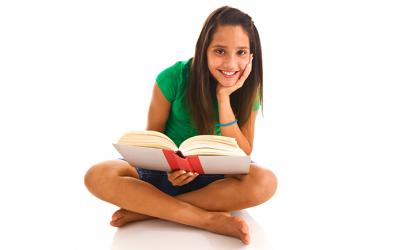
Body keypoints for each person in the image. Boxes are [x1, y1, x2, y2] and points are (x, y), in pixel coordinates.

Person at [84, 6, 277, 245]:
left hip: (215, 180)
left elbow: (243, 154)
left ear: (251, 57)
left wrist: (224, 98)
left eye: (241, 52)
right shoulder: (173, 77)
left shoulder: (248, 90)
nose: (230, 63)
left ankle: (148, 210)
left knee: (266, 181)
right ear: (204, 49)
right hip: (165, 172)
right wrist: (169, 168)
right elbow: (152, 141)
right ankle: (206, 219)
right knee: (98, 175)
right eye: (220, 51)